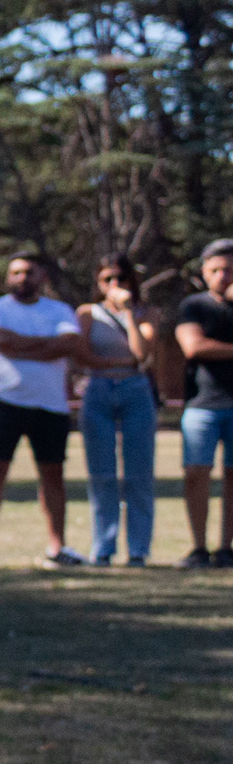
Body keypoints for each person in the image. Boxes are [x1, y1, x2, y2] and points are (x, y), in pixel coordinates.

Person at [0, 252, 85, 569]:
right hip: (3, 403)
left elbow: (68, 344)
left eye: (29, 272)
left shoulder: (59, 310)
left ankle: (57, 547)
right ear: (8, 277)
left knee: (53, 476)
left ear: (42, 276)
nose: (22, 278)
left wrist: (19, 345)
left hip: (50, 405)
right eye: (16, 272)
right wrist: (44, 345)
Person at [76, 255, 160, 567]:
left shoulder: (146, 313)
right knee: (102, 474)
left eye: (120, 279)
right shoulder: (87, 314)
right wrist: (117, 363)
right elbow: (83, 355)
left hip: (136, 391)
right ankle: (103, 547)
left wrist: (127, 314)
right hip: (98, 390)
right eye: (107, 280)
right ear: (98, 283)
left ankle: (138, 549)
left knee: (139, 473)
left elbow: (141, 354)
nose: (114, 285)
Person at [176, 240, 233, 568]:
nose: (223, 276)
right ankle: (199, 547)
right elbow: (193, 347)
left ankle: (226, 548)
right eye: (216, 270)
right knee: (197, 472)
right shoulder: (194, 306)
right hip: (203, 403)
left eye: (229, 270)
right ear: (203, 272)